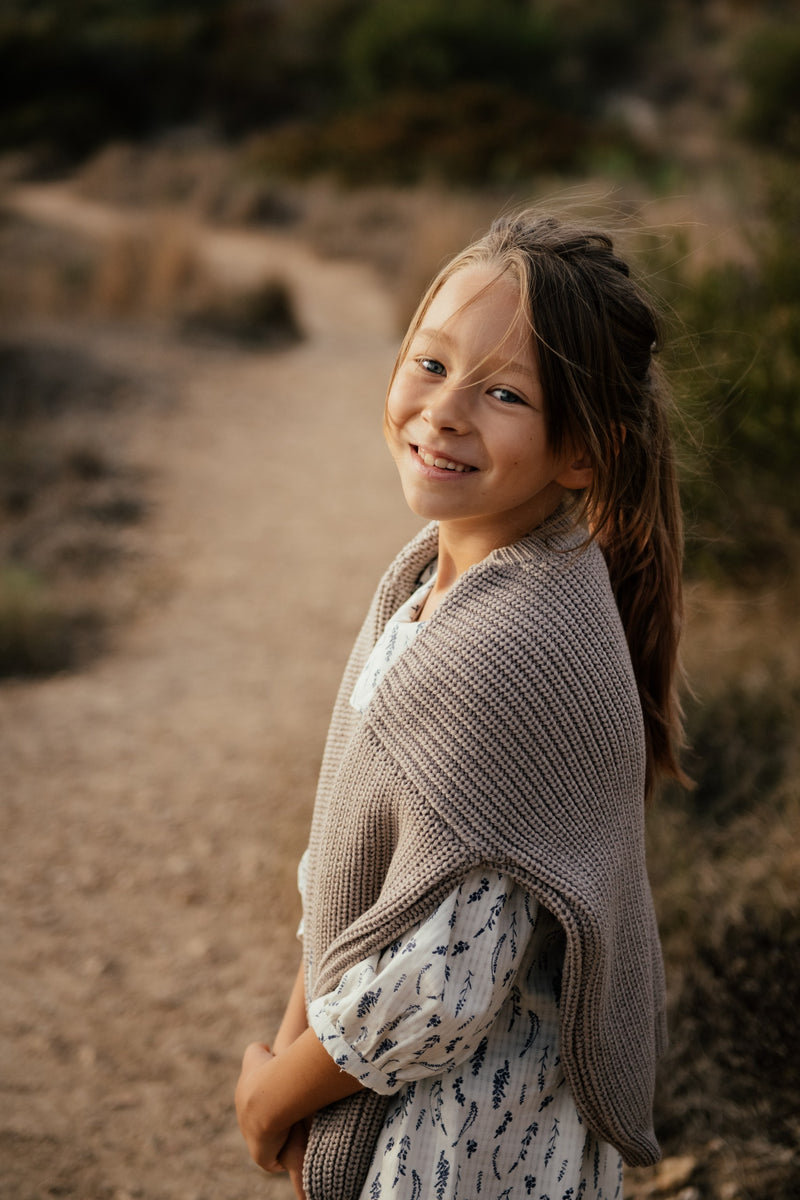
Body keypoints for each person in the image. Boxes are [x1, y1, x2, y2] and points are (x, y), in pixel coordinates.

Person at [236, 211, 686, 1200]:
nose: (443, 411)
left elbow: (435, 990)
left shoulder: (510, 651)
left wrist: (275, 1101)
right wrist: (288, 1036)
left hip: (465, 1152)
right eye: (430, 364)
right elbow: (359, 865)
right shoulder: (429, 586)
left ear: (580, 453)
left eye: (503, 393)